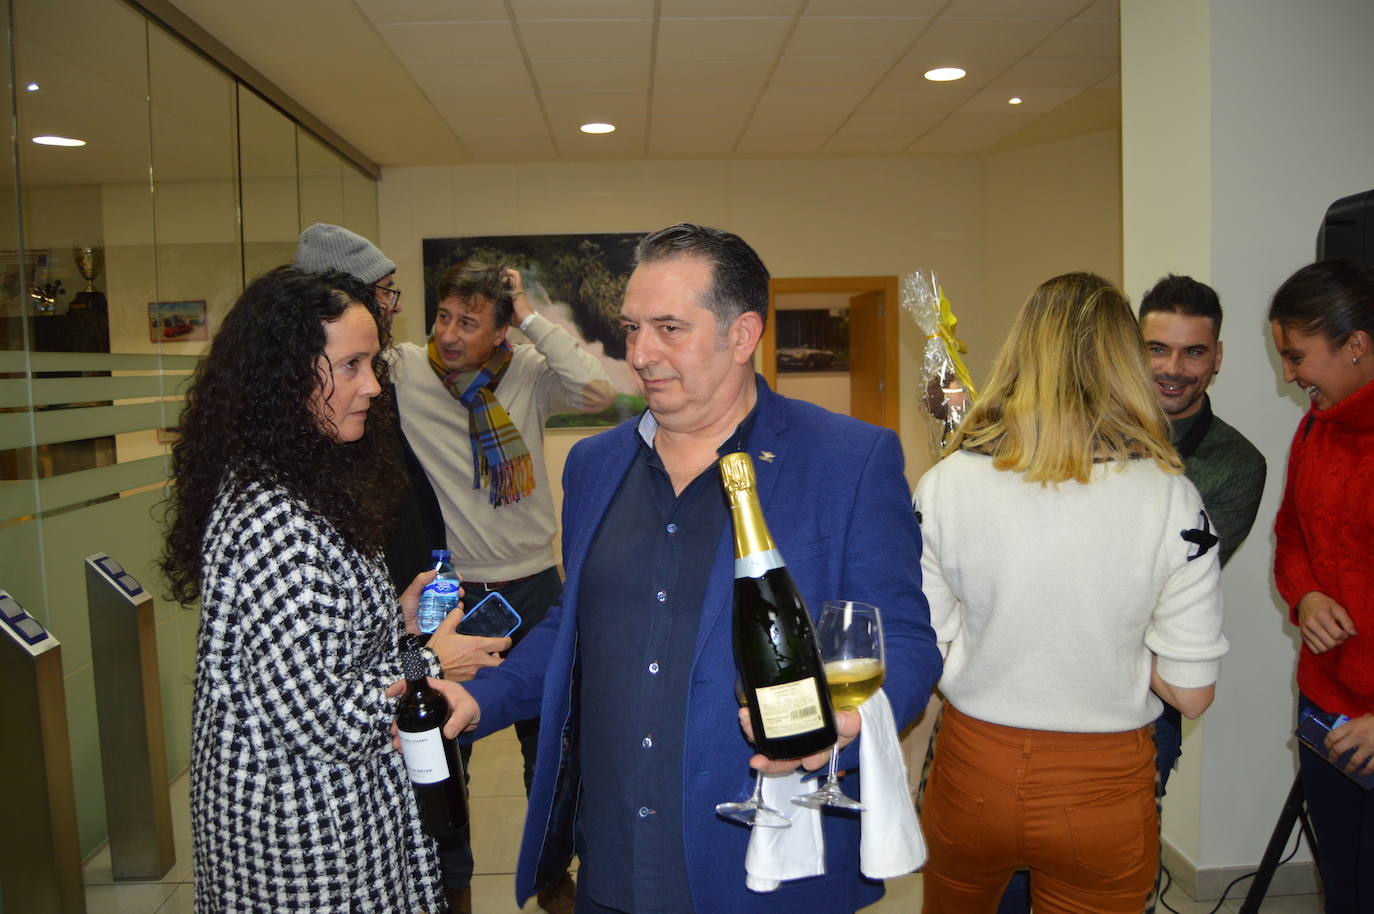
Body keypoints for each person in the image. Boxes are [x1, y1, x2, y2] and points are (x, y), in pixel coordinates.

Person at [419, 223, 942, 913]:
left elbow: (903, 640)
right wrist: (483, 695)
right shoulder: (595, 466)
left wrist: (854, 719)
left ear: (742, 334)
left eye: (669, 328)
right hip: (612, 866)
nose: (640, 353)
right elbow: (578, 628)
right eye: (632, 328)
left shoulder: (848, 461)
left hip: (765, 868)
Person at [915, 272, 1228, 914]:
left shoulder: (948, 482)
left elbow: (928, 642)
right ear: (1126, 363)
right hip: (1102, 788)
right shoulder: (1172, 497)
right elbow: (1191, 694)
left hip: (974, 769)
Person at [160, 267, 444, 912]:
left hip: (336, 821)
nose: (372, 386)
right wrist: (432, 661)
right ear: (283, 378)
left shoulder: (310, 480)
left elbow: (316, 644)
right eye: (350, 366)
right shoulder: (274, 520)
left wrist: (392, 615)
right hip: (304, 842)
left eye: (373, 364)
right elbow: (329, 719)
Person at [996, 273, 1269, 913]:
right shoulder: (1067, 435)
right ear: (1125, 349)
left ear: (1218, 357)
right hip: (1029, 688)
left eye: (1193, 352)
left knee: (1104, 874)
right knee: (1010, 870)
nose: (1173, 369)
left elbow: (1167, 592)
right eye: (1156, 349)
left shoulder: (1235, 464)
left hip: (1142, 697)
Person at [292, 225, 516, 914]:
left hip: (405, 617)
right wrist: (424, 657)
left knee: (434, 786)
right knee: (433, 782)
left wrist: (405, 614)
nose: (397, 308)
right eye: (385, 292)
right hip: (387, 669)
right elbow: (319, 705)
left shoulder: (356, 402)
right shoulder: (285, 504)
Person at [390, 259, 614, 913]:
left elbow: (597, 391)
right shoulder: (406, 371)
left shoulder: (530, 376)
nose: (451, 334)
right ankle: (451, 881)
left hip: (537, 586)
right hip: (457, 596)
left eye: (470, 322)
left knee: (552, 742)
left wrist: (531, 317)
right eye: (443, 317)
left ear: (499, 330)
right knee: (446, 744)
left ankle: (550, 874)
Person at [1270, 258, 1374, 912]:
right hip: (1326, 706)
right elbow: (1291, 535)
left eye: (1296, 355)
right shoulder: (1313, 427)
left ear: (1357, 345)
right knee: (1345, 886)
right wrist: (1305, 595)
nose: (1288, 374)